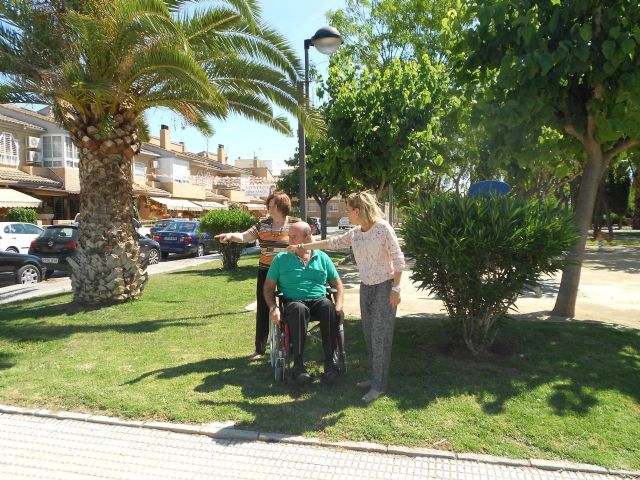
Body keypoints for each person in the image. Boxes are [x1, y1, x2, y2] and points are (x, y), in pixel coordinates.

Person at [287, 192, 404, 403]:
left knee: (380, 337)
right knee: (369, 334)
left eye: (348, 209)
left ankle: (378, 386)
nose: (347, 213)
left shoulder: (382, 228)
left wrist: (396, 289)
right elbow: (331, 243)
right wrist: (303, 247)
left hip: (385, 287)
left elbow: (398, 258)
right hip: (366, 287)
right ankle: (375, 378)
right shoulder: (356, 233)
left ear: (358, 211)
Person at [215, 191, 298, 360]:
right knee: (263, 308)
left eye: (272, 205)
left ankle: (290, 343)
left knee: (291, 304)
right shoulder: (262, 224)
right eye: (268, 204)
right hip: (266, 271)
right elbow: (245, 236)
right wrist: (231, 235)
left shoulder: (296, 224)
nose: (269, 207)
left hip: (288, 272)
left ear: (282, 206)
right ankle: (259, 350)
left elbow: (305, 242)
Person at [264, 221, 344, 383]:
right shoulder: (281, 258)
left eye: (294, 237)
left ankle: (329, 362)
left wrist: (339, 305)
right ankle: (298, 365)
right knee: (299, 309)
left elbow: (337, 284)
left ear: (307, 238)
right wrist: (273, 307)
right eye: (289, 236)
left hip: (319, 301)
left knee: (329, 307)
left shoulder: (322, 257)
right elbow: (268, 288)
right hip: (293, 302)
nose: (290, 240)